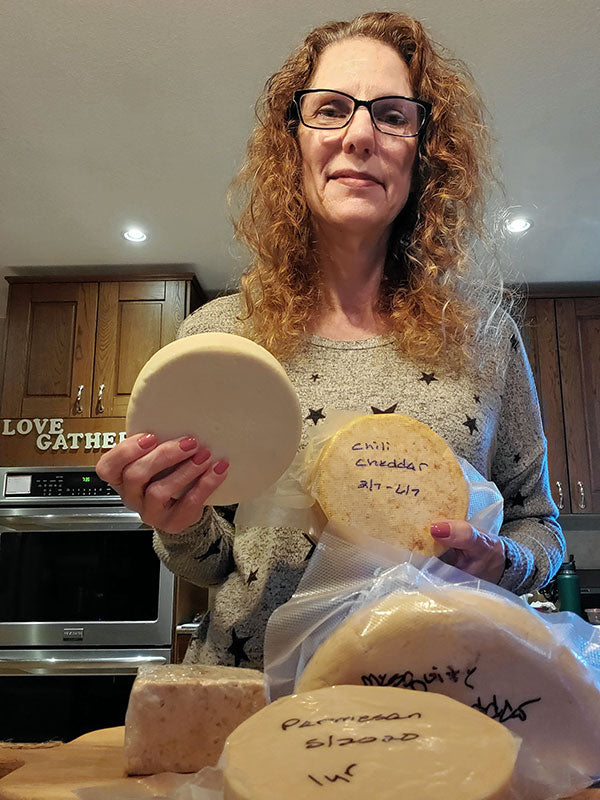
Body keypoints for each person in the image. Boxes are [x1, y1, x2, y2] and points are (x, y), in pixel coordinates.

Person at [96, 11, 565, 670]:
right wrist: (175, 522)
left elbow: (537, 521)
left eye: (393, 115)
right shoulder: (219, 338)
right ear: (294, 142)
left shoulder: (483, 337)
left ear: (423, 151)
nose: (360, 135)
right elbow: (217, 561)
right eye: (331, 109)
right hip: (252, 700)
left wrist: (504, 559)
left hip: (436, 706)